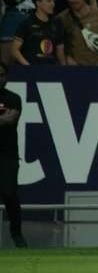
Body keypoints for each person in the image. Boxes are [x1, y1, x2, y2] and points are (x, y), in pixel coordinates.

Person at [0, 63, 25, 247]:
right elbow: (4, 118)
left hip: (7, 154)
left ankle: (16, 233)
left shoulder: (13, 98)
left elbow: (11, 118)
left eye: (1, 74)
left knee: (9, 193)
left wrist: (5, 118)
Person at [11, 0, 64, 65]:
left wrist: (64, 70)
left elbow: (60, 51)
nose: (53, 4)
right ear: (38, 3)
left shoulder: (57, 23)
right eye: (49, 1)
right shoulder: (26, 22)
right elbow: (14, 50)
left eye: (53, 1)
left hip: (51, 70)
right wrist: (28, 67)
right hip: (30, 70)